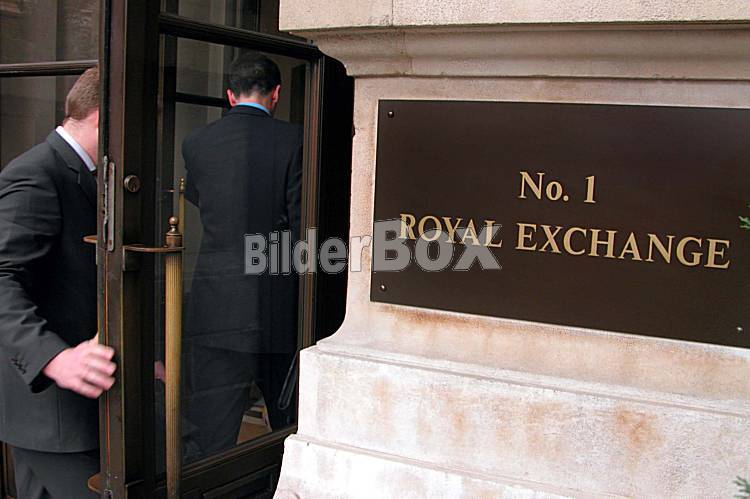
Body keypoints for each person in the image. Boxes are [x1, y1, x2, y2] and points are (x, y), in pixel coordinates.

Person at [0, 67, 116, 498]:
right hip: (52, 409)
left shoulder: (76, 171)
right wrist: (53, 358)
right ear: (104, 119)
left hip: (61, 412)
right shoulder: (37, 173)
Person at [182, 53, 302, 459]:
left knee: (211, 432)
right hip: (276, 304)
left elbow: (199, 199)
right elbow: (301, 224)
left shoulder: (196, 143)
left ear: (230, 95)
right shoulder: (295, 140)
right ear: (276, 94)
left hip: (215, 303)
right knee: (290, 426)